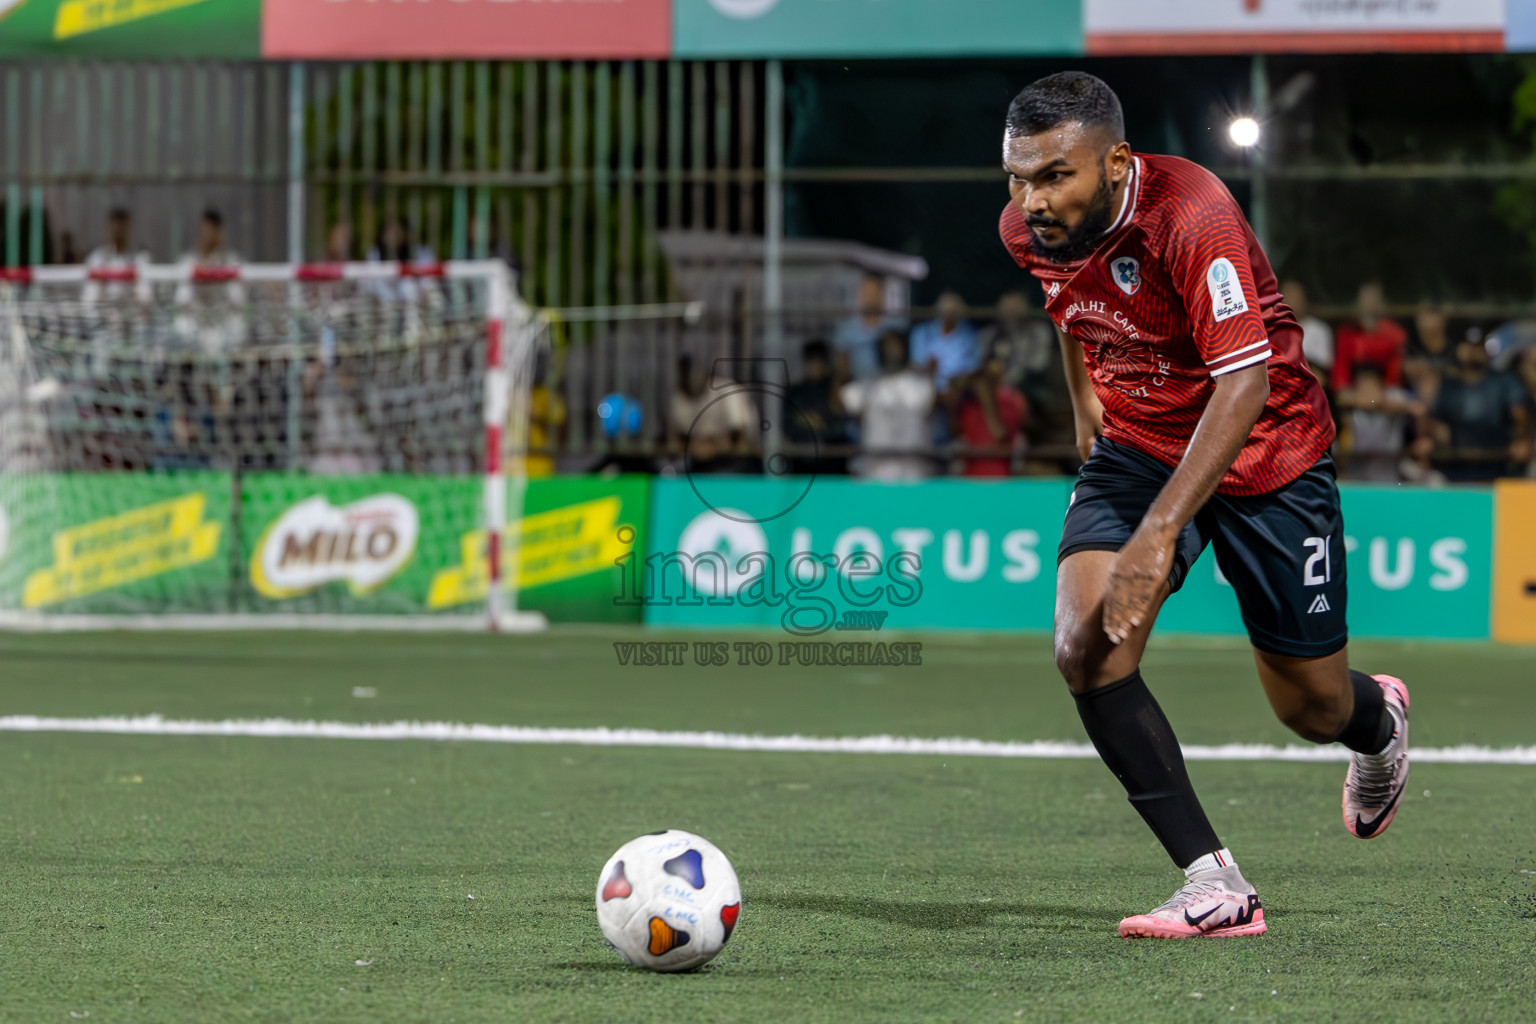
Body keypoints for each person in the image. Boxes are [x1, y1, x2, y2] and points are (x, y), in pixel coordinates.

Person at [1000, 72, 1408, 939]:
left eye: (1053, 177)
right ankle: (1215, 885)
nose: (1031, 200)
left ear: (1115, 162)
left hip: (1267, 453)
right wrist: (1084, 406)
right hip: (1139, 447)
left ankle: (1378, 721)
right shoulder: (1026, 228)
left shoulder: (1191, 212)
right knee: (1087, 646)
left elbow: (1246, 382)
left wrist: (1159, 536)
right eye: (1017, 177)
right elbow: (1068, 307)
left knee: (1312, 709)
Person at [1428, 334, 1531, 481]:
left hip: (1496, 467)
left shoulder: (1503, 381)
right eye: (1469, 346)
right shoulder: (1449, 384)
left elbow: (1519, 413)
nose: (1473, 352)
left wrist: (1522, 439)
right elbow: (1438, 421)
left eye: (1478, 347)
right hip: (1456, 468)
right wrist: (1431, 439)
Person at [841, 329, 935, 481]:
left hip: (912, 469)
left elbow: (930, 406)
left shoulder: (921, 384)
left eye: (895, 346)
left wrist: (930, 373)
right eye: (886, 347)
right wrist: (843, 372)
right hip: (876, 469)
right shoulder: (868, 384)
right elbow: (845, 402)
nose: (891, 352)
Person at [668, 353, 756, 474]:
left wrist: (716, 445)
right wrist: (696, 447)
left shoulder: (727, 391)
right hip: (696, 463)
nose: (693, 379)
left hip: (734, 463)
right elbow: (678, 437)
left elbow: (741, 436)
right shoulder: (678, 396)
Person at [952, 338, 1028, 477]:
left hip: (1001, 477)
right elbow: (955, 431)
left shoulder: (1012, 401)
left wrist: (987, 400)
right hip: (971, 478)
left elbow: (1000, 435)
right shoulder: (970, 406)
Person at [1335, 364, 1421, 483]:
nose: (1366, 389)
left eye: (1370, 384)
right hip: (1356, 471)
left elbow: (1417, 408)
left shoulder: (1394, 396)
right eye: (1362, 384)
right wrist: (1367, 402)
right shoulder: (1349, 397)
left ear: (1380, 383)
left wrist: (1375, 403)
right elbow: (1341, 398)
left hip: (1388, 472)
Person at [784, 339, 850, 474]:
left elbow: (841, 427)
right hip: (801, 461)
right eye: (810, 361)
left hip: (831, 462)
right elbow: (788, 426)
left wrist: (816, 427)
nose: (814, 365)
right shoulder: (795, 392)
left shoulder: (835, 390)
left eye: (819, 360)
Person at [1331, 281, 1406, 392]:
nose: (1371, 301)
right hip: (1355, 393)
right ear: (1358, 301)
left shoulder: (1395, 333)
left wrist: (1383, 391)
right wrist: (1345, 390)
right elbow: (1341, 370)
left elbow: (1396, 368)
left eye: (1375, 297)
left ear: (1382, 301)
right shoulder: (1347, 333)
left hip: (1386, 393)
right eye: (1367, 297)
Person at [832, 273, 906, 381]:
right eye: (865, 293)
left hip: (892, 387)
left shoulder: (896, 324)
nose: (869, 299)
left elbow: (903, 361)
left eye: (874, 293)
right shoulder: (845, 329)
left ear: (882, 295)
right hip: (857, 388)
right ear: (859, 296)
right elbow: (841, 368)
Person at [910, 290, 983, 394]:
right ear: (937, 310)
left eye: (953, 311)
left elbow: (973, 365)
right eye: (945, 310)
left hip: (959, 387)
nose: (948, 314)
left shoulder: (968, 335)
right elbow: (917, 363)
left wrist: (956, 380)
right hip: (925, 384)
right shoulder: (922, 332)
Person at [83, 207, 149, 304]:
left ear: (128, 228)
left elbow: (145, 295)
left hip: (130, 313)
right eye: (114, 225)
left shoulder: (139, 258)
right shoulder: (98, 257)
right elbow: (90, 295)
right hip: (103, 313)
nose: (118, 230)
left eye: (122, 225)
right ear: (108, 227)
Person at [1280, 279, 1333, 380]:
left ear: (1304, 298)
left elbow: (1324, 368)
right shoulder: (1272, 330)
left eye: (1295, 295)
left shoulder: (1320, 330)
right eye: (1288, 295)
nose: (1292, 300)